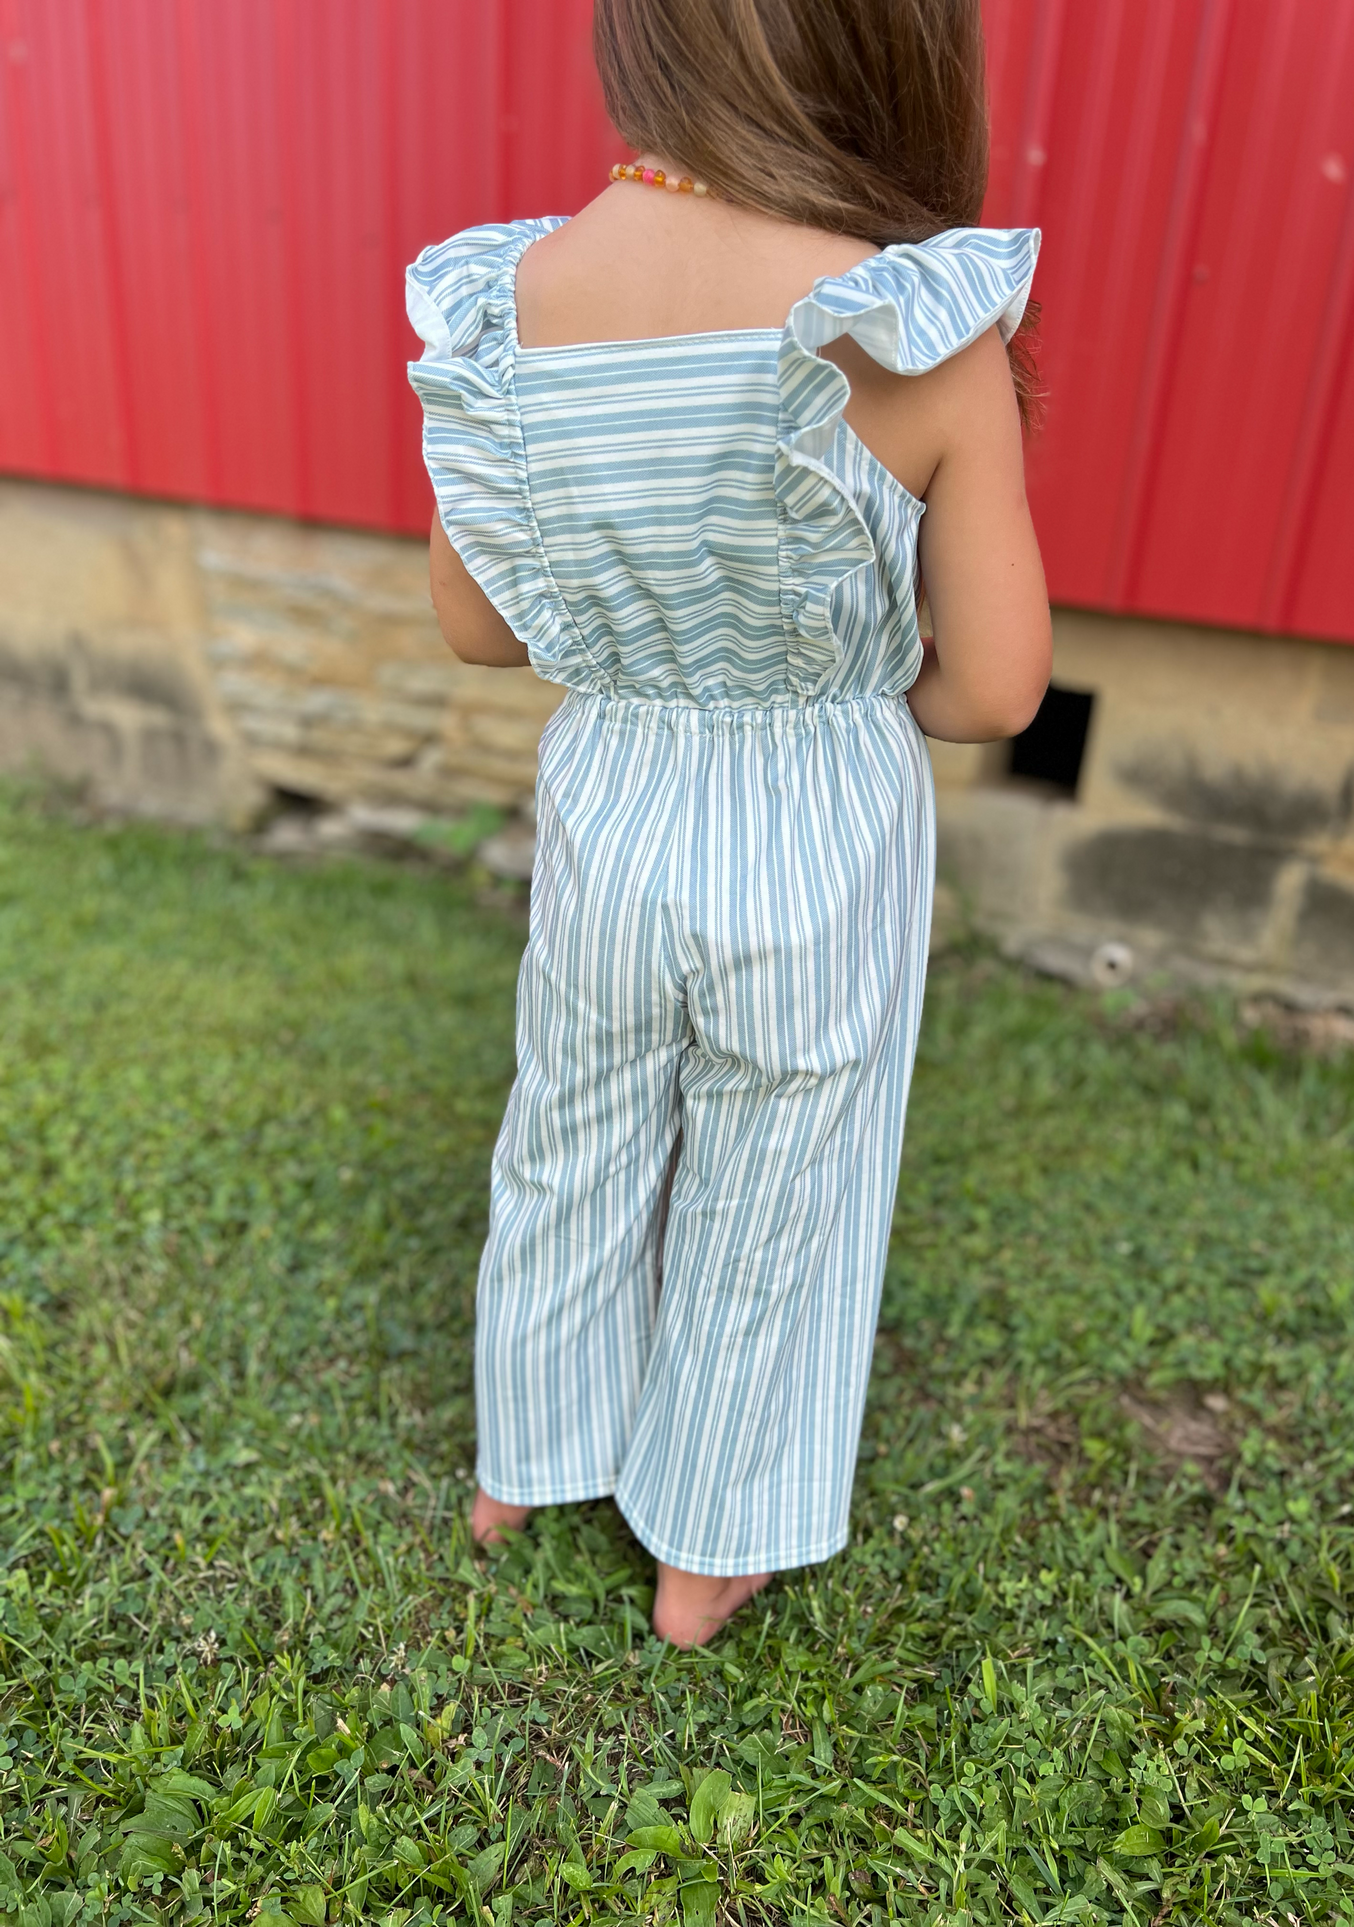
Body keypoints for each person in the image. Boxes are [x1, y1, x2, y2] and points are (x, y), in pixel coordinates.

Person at [407, 0, 1051, 1648]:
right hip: (818, 810)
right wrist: (832, 692)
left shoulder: (514, 299)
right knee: (785, 1169)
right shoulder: (910, 319)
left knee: (573, 1125)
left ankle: (524, 1455)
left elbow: (480, 630)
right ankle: (707, 1547)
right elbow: (994, 687)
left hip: (613, 795)